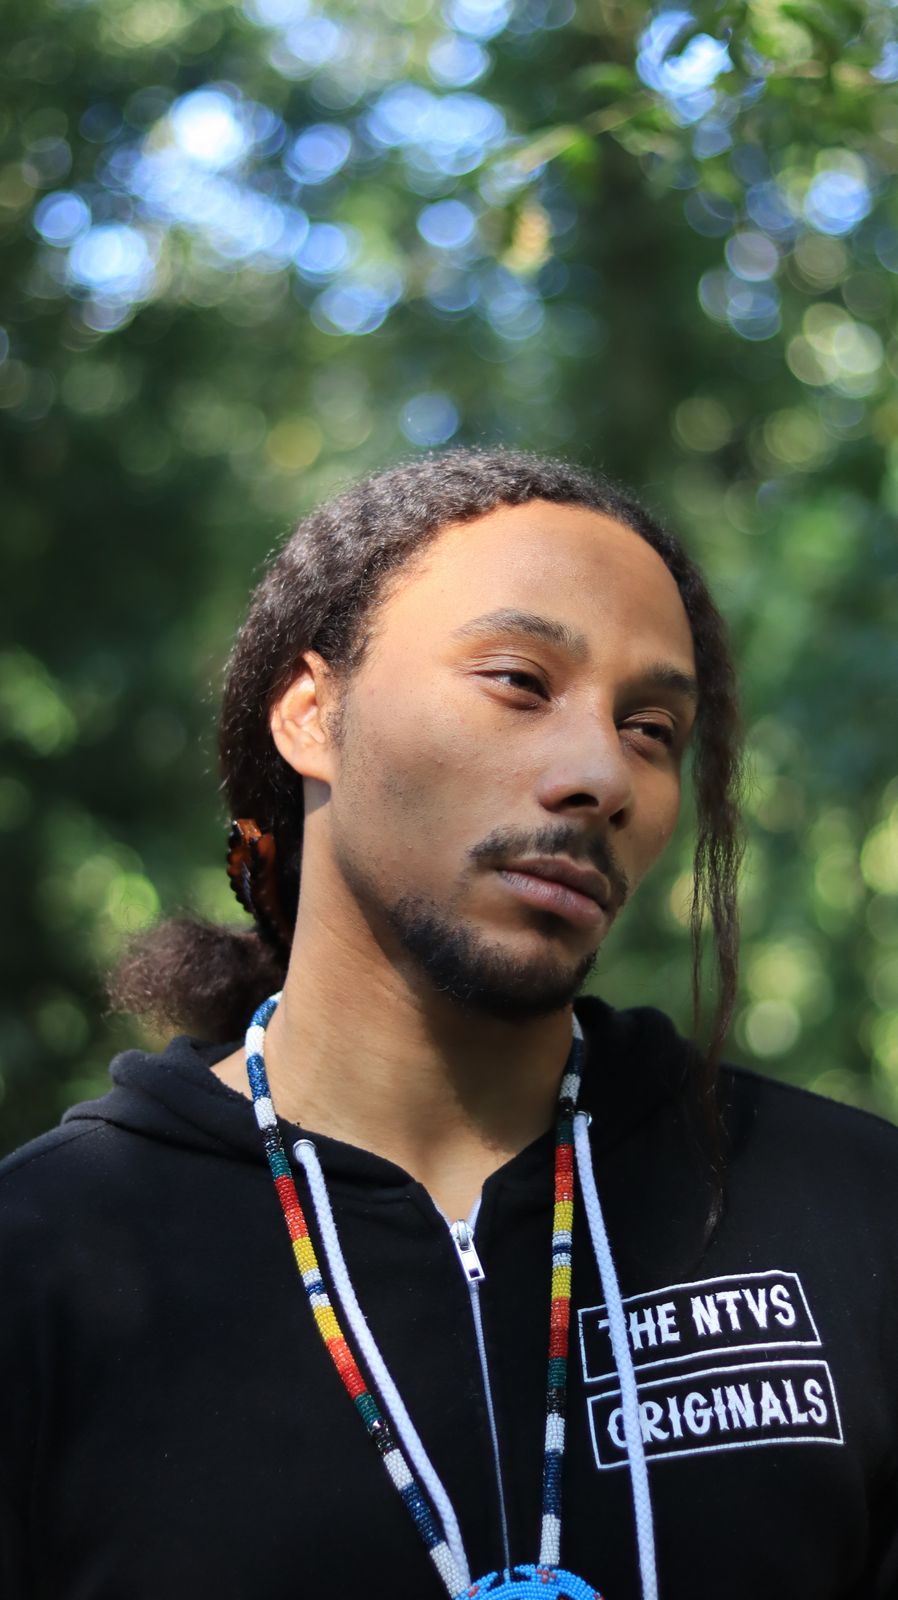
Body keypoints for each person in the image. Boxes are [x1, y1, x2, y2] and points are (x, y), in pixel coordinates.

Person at [1, 448, 896, 1600]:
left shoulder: (850, 1213)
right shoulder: (48, 1261)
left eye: (651, 728)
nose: (601, 774)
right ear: (312, 714)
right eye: (520, 681)